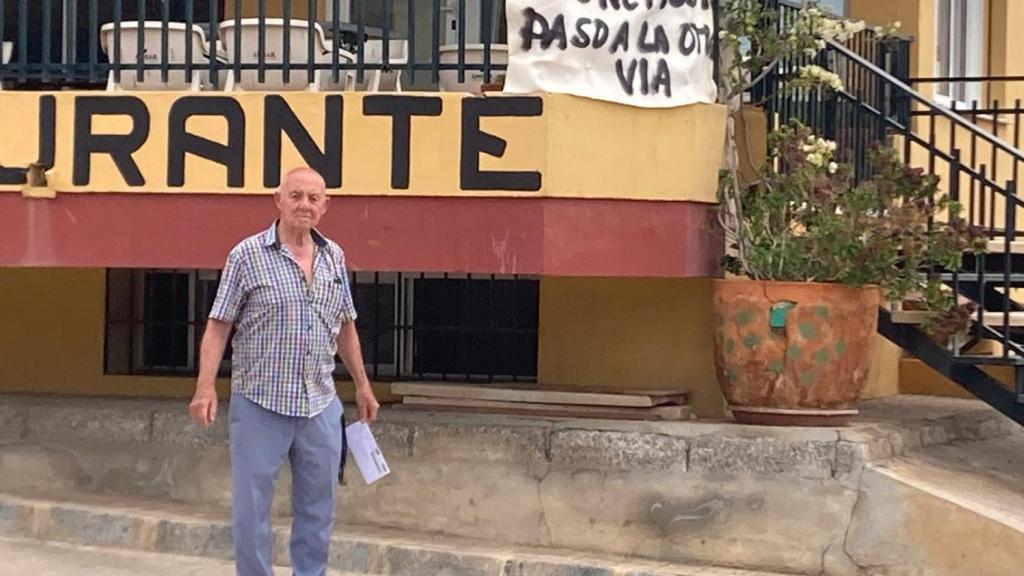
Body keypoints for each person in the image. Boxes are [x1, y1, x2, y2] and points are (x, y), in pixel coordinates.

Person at [188, 166, 379, 576]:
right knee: (252, 511)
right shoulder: (247, 255)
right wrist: (205, 387)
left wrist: (362, 385)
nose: (304, 205)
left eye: (313, 198)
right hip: (260, 404)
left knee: (318, 511)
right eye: (295, 196)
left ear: (325, 206)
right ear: (278, 200)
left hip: (320, 405)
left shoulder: (334, 257)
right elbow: (218, 325)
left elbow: (345, 326)